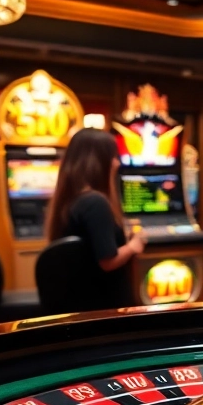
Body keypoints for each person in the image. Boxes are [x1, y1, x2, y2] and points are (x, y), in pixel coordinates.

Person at [43, 128, 145, 309]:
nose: (116, 163)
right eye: (113, 156)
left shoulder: (70, 200)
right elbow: (107, 261)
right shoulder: (95, 202)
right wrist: (133, 245)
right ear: (98, 161)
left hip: (80, 306)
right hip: (104, 313)